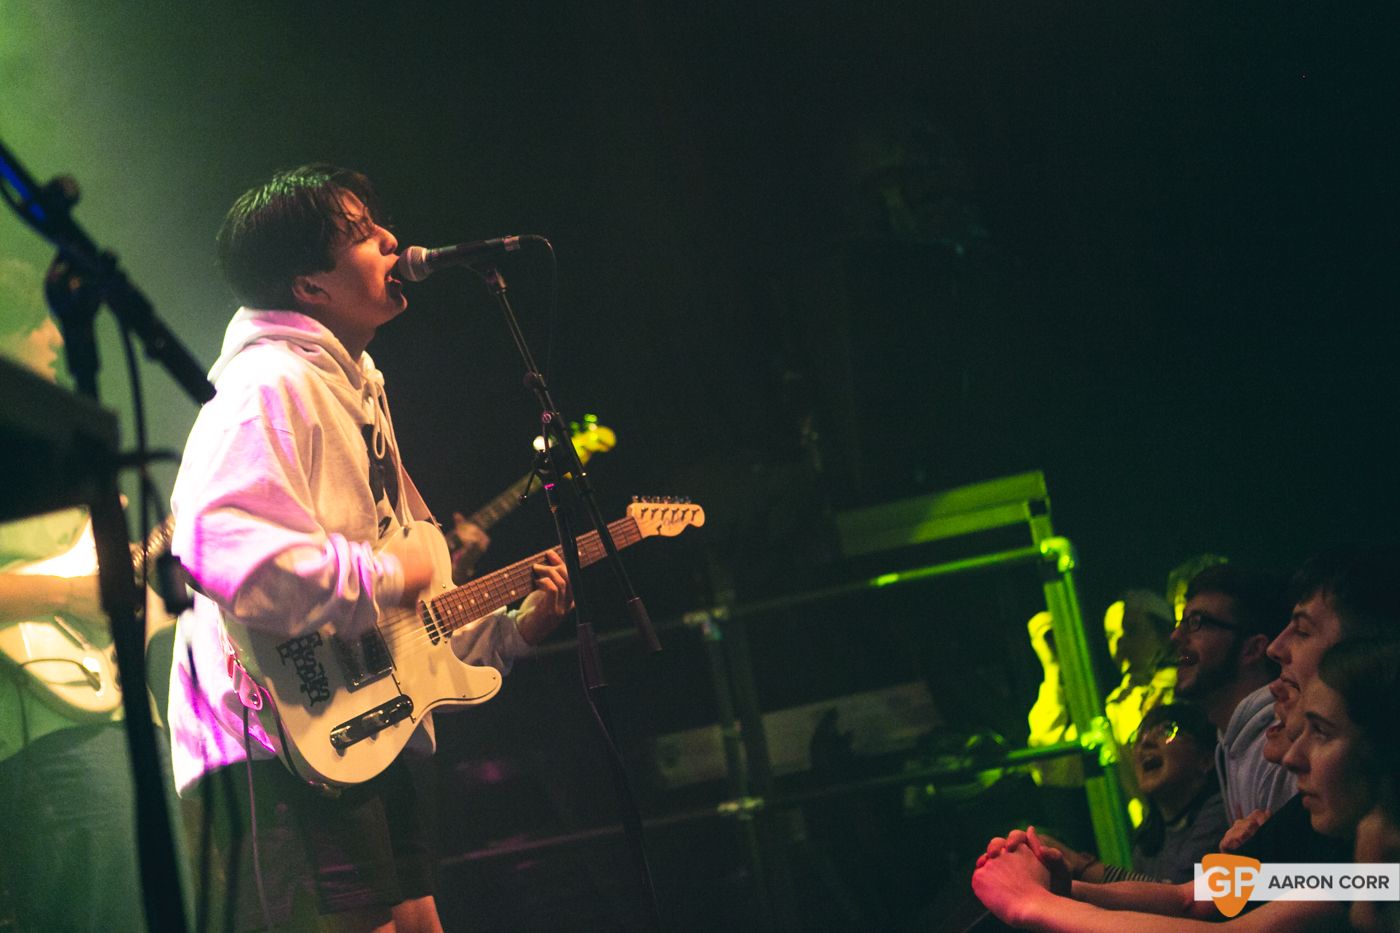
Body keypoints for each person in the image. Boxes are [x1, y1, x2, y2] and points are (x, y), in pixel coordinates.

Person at [167, 165, 572, 932]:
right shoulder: (267, 384)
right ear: (308, 287)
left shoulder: (355, 386)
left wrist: (509, 630)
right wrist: (382, 574)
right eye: (359, 235)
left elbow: (413, 592)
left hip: (359, 725)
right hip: (273, 748)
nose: (391, 239)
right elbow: (217, 547)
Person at [970, 636, 1400, 932]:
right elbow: (1191, 898)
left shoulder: (1376, 874)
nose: (1292, 756)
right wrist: (1064, 887)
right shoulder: (1317, 834)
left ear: (1385, 746)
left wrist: (1030, 903)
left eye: (1321, 732)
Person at [0, 258, 149, 931]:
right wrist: (68, 592)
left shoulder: (55, 447)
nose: (56, 338)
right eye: (36, 323)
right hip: (44, 740)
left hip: (118, 711)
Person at [1169, 564, 1294, 822]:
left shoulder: (1277, 747)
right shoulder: (1231, 743)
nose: (1175, 636)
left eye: (1196, 623)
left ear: (1252, 649)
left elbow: (1294, 864)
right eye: (1181, 622)